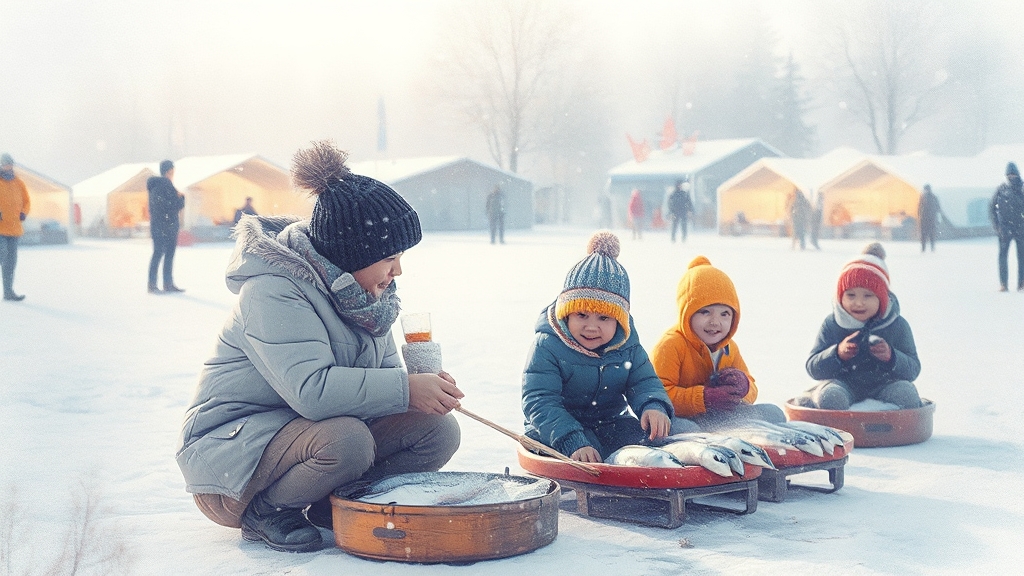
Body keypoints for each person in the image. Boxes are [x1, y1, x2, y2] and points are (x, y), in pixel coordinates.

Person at [175, 141, 463, 553]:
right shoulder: (272, 291)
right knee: (348, 441)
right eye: (389, 256)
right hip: (232, 466)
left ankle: (341, 505)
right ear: (351, 254)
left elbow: (377, 387)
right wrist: (405, 389)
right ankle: (269, 512)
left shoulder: (364, 297)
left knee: (437, 431)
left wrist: (420, 392)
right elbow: (313, 392)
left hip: (309, 441)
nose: (398, 270)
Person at [522, 231, 673, 463]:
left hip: (608, 423)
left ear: (619, 321)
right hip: (557, 430)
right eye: (582, 315)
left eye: (604, 318)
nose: (591, 327)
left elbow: (643, 382)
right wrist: (571, 438)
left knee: (645, 441)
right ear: (566, 314)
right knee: (563, 448)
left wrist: (653, 405)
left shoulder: (627, 345)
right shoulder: (548, 346)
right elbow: (540, 399)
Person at [650, 256, 785, 433]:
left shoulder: (729, 348)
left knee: (774, 413)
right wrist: (704, 398)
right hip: (683, 417)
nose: (715, 322)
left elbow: (751, 385)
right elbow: (658, 395)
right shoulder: (670, 345)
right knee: (688, 430)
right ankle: (710, 442)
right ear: (686, 313)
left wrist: (743, 387)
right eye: (705, 312)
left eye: (724, 314)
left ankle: (732, 438)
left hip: (718, 416)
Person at [795, 243, 922, 410]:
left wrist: (891, 357)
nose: (859, 302)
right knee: (831, 397)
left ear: (882, 299)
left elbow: (913, 369)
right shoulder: (833, 324)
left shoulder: (897, 325)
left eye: (868, 296)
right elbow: (813, 367)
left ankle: (893, 425)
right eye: (851, 295)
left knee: (907, 395)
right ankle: (822, 409)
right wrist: (837, 354)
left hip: (885, 384)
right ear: (841, 297)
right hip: (843, 384)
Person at [147, 160, 185, 293]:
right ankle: (165, 284)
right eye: (172, 171)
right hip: (167, 226)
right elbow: (173, 206)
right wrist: (181, 198)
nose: (173, 174)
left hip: (158, 226)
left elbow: (158, 207)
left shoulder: (154, 187)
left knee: (158, 253)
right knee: (166, 254)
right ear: (168, 171)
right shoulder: (166, 186)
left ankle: (154, 284)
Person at [0, 153, 30, 301]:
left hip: (14, 229)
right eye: (5, 164)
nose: (8, 167)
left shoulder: (19, 183)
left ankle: (8, 292)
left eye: (10, 164)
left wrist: (24, 212)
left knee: (11, 262)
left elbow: (27, 201)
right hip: (0, 229)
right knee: (2, 255)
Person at [990, 162, 1024, 291]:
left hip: (1021, 229)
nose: (1011, 177)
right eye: (1009, 174)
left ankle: (1022, 283)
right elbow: (992, 208)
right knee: (1003, 257)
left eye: (1013, 174)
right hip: (1004, 231)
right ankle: (1003, 284)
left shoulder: (1022, 188)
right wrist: (997, 226)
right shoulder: (1002, 189)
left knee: (1022, 258)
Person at [917, 184, 944, 253]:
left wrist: (919, 216)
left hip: (925, 219)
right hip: (930, 219)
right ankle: (931, 248)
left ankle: (924, 248)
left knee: (924, 235)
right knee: (931, 234)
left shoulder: (924, 197)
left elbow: (920, 208)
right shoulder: (933, 197)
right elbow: (938, 208)